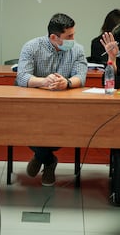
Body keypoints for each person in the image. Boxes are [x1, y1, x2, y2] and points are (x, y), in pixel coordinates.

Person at [15, 13, 88, 186]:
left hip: (62, 107)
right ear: (54, 37)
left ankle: (41, 157)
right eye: (69, 36)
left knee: (59, 129)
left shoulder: (77, 49)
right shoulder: (32, 47)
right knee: (26, 127)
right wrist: (44, 81)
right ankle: (49, 161)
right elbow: (22, 77)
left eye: (73, 34)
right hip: (33, 107)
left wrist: (67, 82)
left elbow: (81, 76)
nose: (73, 39)